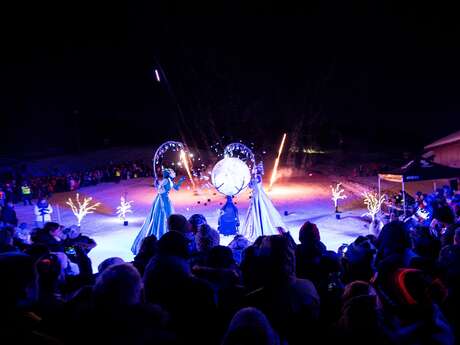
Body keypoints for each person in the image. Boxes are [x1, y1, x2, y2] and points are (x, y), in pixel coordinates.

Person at [131, 168, 185, 255]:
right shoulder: (165, 180)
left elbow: (176, 188)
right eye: (171, 173)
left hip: (165, 200)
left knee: (167, 216)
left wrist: (180, 181)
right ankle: (160, 234)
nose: (173, 175)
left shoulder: (169, 181)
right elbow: (160, 191)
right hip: (161, 201)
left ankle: (167, 232)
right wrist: (158, 186)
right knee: (162, 216)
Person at [241, 162, 286, 242]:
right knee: (254, 211)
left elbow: (253, 184)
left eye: (255, 169)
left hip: (258, 196)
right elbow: (250, 185)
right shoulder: (255, 177)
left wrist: (250, 179)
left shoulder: (258, 177)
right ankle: (255, 225)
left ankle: (261, 226)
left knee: (260, 210)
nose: (253, 170)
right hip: (255, 196)